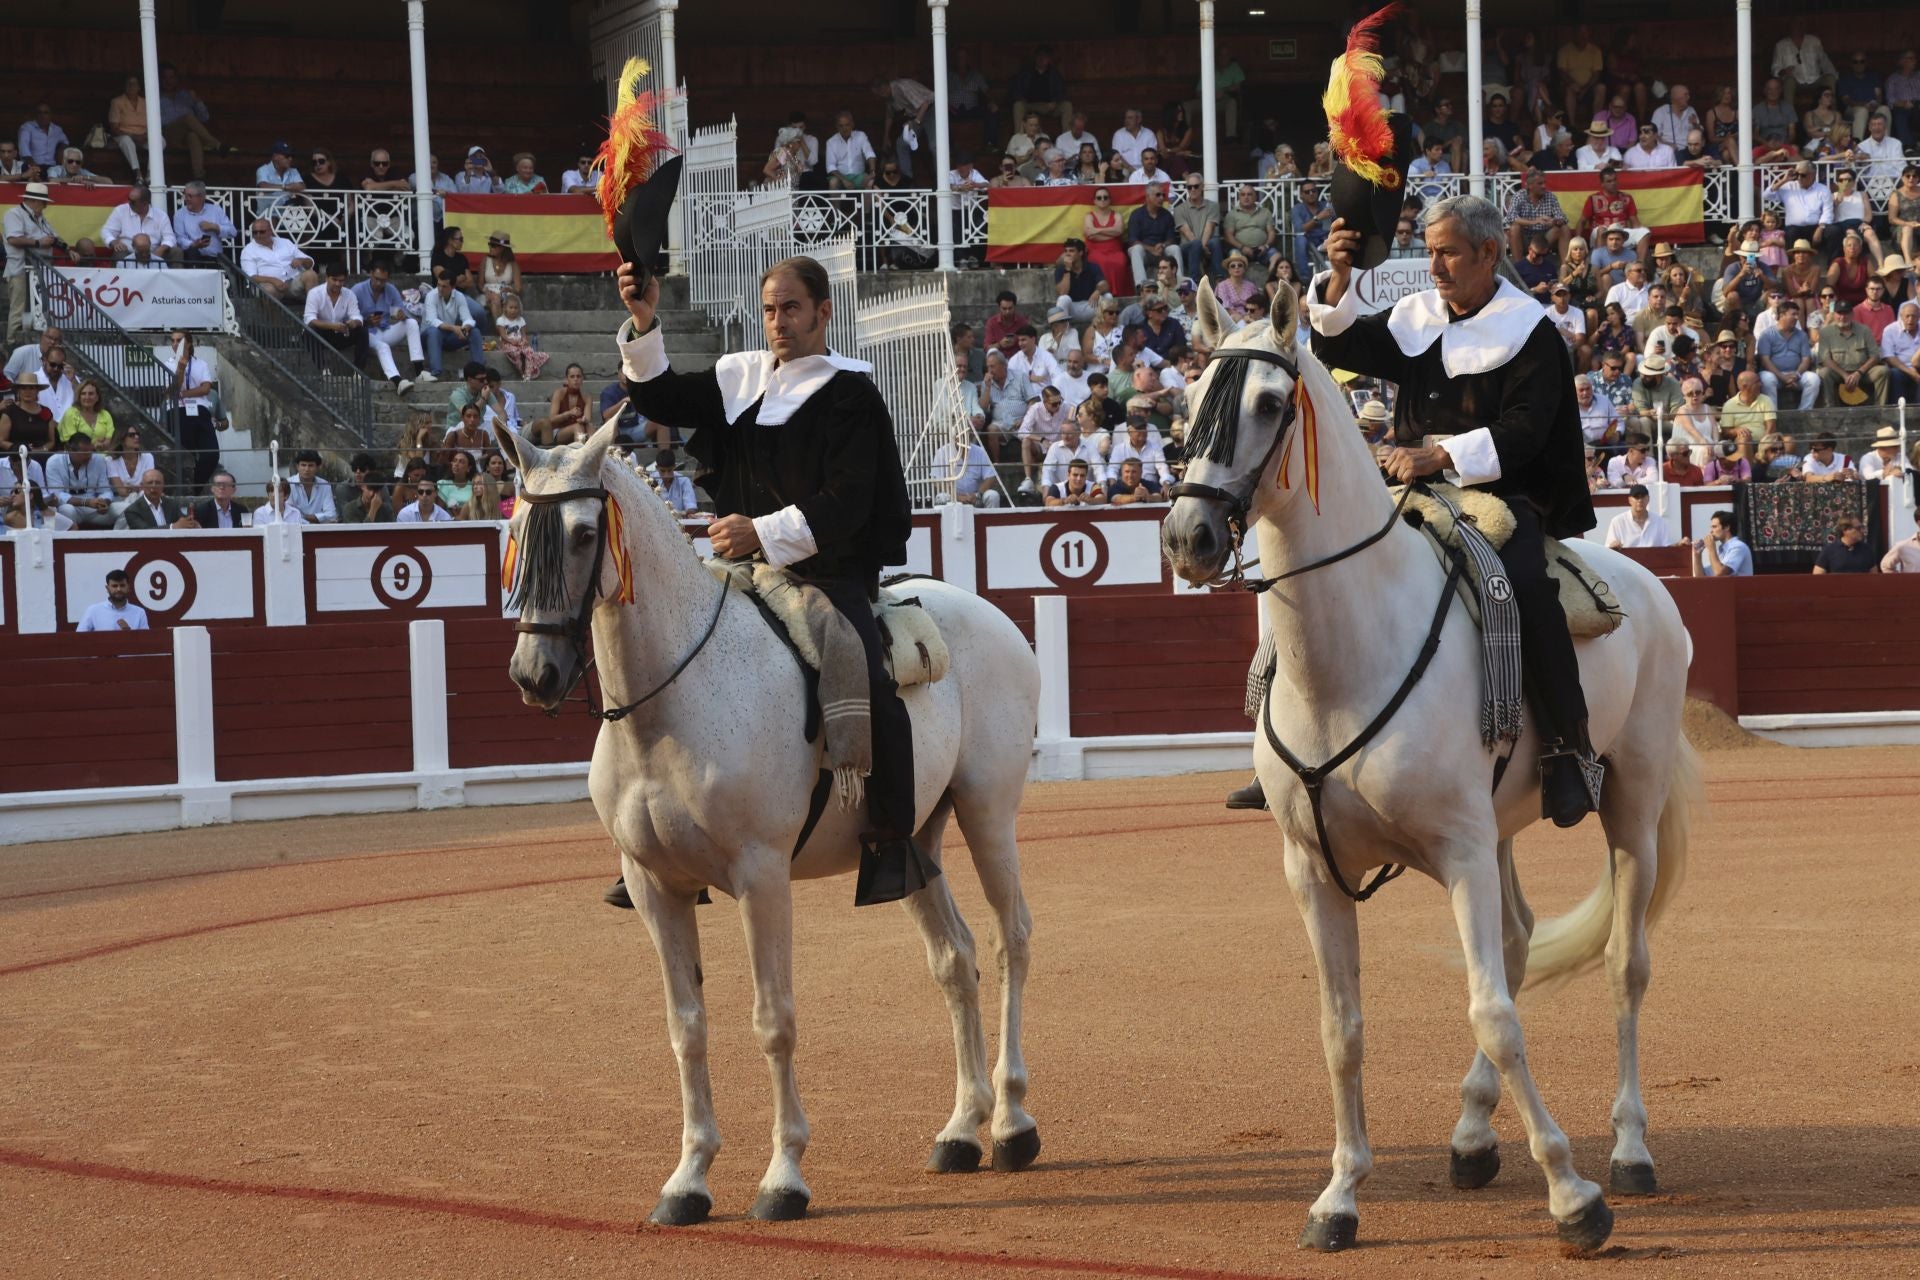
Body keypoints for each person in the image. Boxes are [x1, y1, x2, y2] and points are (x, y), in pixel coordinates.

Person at [616, 253, 929, 905]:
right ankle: (660, 836)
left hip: (827, 571)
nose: (778, 321)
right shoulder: (743, 377)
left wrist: (761, 531)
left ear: (823, 312)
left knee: (865, 673)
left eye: (791, 307)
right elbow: (662, 396)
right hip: (740, 567)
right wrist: (644, 321)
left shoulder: (852, 392)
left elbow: (848, 500)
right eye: (768, 309)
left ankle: (889, 839)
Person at [1301, 195, 1601, 824]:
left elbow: (1526, 431)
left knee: (1524, 583)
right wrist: (1339, 278)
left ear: (1489, 253)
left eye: (1448, 253)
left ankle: (1567, 750)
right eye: (1430, 251)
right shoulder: (1420, 314)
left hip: (1499, 492)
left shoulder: (1532, 330)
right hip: (1410, 487)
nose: (1433, 265)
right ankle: (1289, 744)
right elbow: (1341, 346)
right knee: (1315, 560)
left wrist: (1438, 455)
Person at [352, 260, 432, 394]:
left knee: (411, 323)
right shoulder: (357, 290)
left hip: (385, 329)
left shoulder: (390, 289)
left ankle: (419, 371)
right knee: (383, 346)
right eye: (377, 279)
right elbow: (351, 318)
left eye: (383, 280)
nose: (379, 283)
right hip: (367, 334)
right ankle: (397, 380)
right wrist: (367, 321)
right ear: (371, 274)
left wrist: (400, 315)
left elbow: (398, 310)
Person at [163, 330, 219, 489]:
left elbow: (206, 389)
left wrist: (182, 393)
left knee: (212, 454)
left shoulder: (201, 364)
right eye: (172, 341)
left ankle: (196, 486)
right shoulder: (168, 364)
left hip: (200, 409)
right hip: (177, 411)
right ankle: (191, 488)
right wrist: (180, 369)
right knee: (185, 456)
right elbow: (171, 391)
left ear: (188, 343)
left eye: (179, 340)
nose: (175, 344)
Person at [77, 569, 150, 632]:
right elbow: (79, 639)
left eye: (122, 585)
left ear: (128, 587)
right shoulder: (93, 611)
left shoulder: (139, 613)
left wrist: (129, 633)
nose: (119, 589)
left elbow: (146, 642)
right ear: (107, 588)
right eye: (114, 586)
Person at [1605, 483, 1673, 548]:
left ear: (1648, 499)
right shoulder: (1617, 522)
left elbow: (1667, 548)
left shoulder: (1659, 521)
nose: (1640, 500)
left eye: (1643, 497)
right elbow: (1609, 549)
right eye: (1636, 497)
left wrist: (1679, 544)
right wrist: (1613, 545)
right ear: (1630, 500)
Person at [1693, 511, 1754, 576]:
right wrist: (1697, 556)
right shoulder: (1722, 550)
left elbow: (1720, 573)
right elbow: (1701, 577)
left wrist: (1711, 549)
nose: (1711, 531)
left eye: (1714, 527)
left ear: (1727, 527)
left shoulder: (1738, 547)